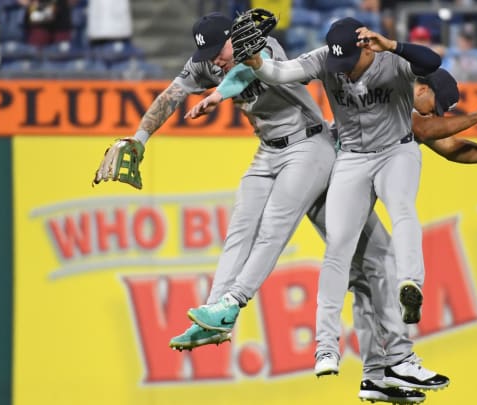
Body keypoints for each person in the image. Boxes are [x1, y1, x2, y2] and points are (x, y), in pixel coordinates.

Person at [117, 12, 441, 403]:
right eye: (205, 53)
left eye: (217, 49)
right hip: (269, 152)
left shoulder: (259, 46)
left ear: (233, 37)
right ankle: (214, 315)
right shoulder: (208, 60)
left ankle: (233, 305)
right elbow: (170, 95)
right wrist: (139, 138)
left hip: (309, 146)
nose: (213, 60)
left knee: (284, 230)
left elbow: (250, 74)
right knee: (254, 231)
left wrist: (218, 94)